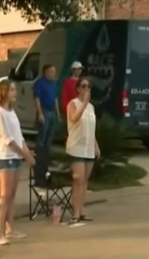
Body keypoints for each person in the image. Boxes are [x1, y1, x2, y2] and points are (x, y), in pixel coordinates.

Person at [0, 79, 35, 245]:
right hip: (6, 158)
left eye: (15, 90)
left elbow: (19, 137)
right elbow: (7, 139)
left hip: (16, 158)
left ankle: (10, 229)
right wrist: (25, 154)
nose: (15, 93)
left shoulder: (12, 112)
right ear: (3, 92)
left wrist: (27, 152)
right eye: (12, 90)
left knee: (12, 195)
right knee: (5, 195)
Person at [66, 77, 99, 227]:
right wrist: (84, 103)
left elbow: (91, 128)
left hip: (88, 147)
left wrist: (96, 144)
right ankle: (75, 213)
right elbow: (74, 118)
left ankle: (81, 209)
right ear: (78, 88)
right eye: (84, 86)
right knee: (78, 178)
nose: (87, 89)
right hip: (76, 146)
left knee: (84, 181)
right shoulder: (73, 104)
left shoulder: (91, 108)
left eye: (89, 87)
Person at [32, 64, 60, 188]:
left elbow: (55, 99)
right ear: (45, 72)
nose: (52, 74)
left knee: (49, 138)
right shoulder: (40, 83)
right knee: (42, 138)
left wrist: (58, 114)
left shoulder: (53, 83)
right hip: (44, 111)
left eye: (53, 71)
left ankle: (47, 159)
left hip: (52, 112)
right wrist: (40, 113)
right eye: (50, 71)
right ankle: (39, 160)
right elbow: (37, 98)